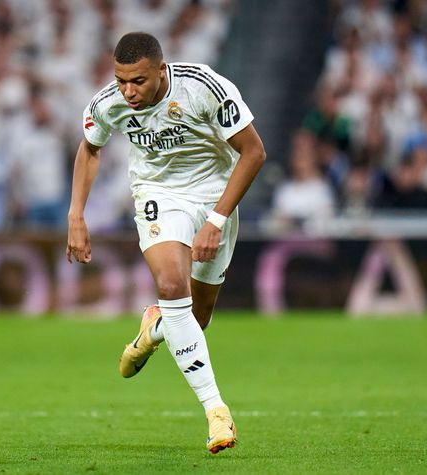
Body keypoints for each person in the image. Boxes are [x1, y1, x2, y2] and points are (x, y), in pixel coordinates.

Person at [66, 32, 266, 454]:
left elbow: (253, 152)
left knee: (198, 316)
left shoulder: (204, 87)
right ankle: (216, 411)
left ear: (161, 70)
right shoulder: (108, 103)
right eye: (121, 80)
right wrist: (76, 215)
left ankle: (156, 327)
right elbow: (90, 149)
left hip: (215, 193)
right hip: (159, 194)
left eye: (137, 81)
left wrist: (216, 218)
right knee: (173, 287)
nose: (128, 91)